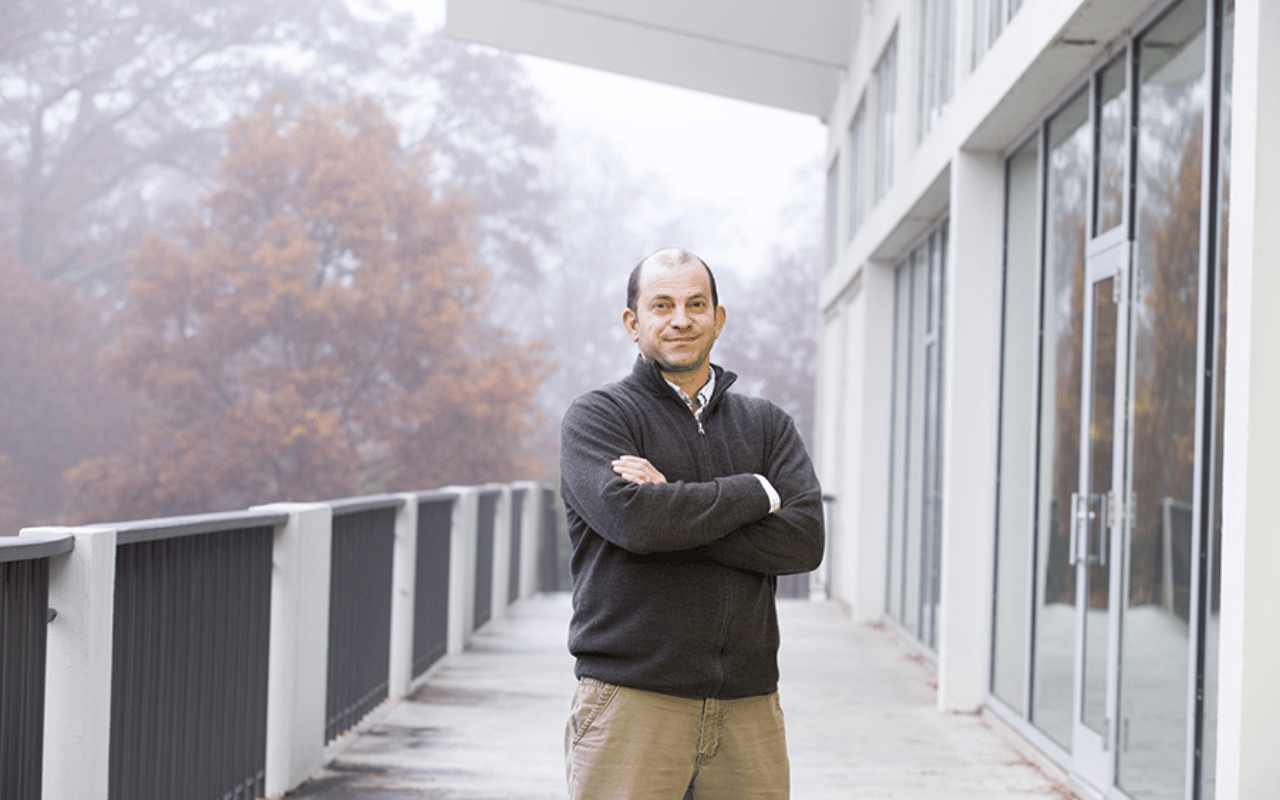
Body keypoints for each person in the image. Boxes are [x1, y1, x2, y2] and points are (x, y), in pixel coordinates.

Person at [558, 247, 825, 799]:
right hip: (633, 702)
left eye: (695, 304)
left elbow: (804, 542)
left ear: (718, 319)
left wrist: (672, 510)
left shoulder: (767, 425)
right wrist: (755, 491)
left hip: (749, 706)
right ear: (634, 323)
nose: (681, 319)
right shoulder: (599, 418)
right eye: (662, 305)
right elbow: (637, 526)